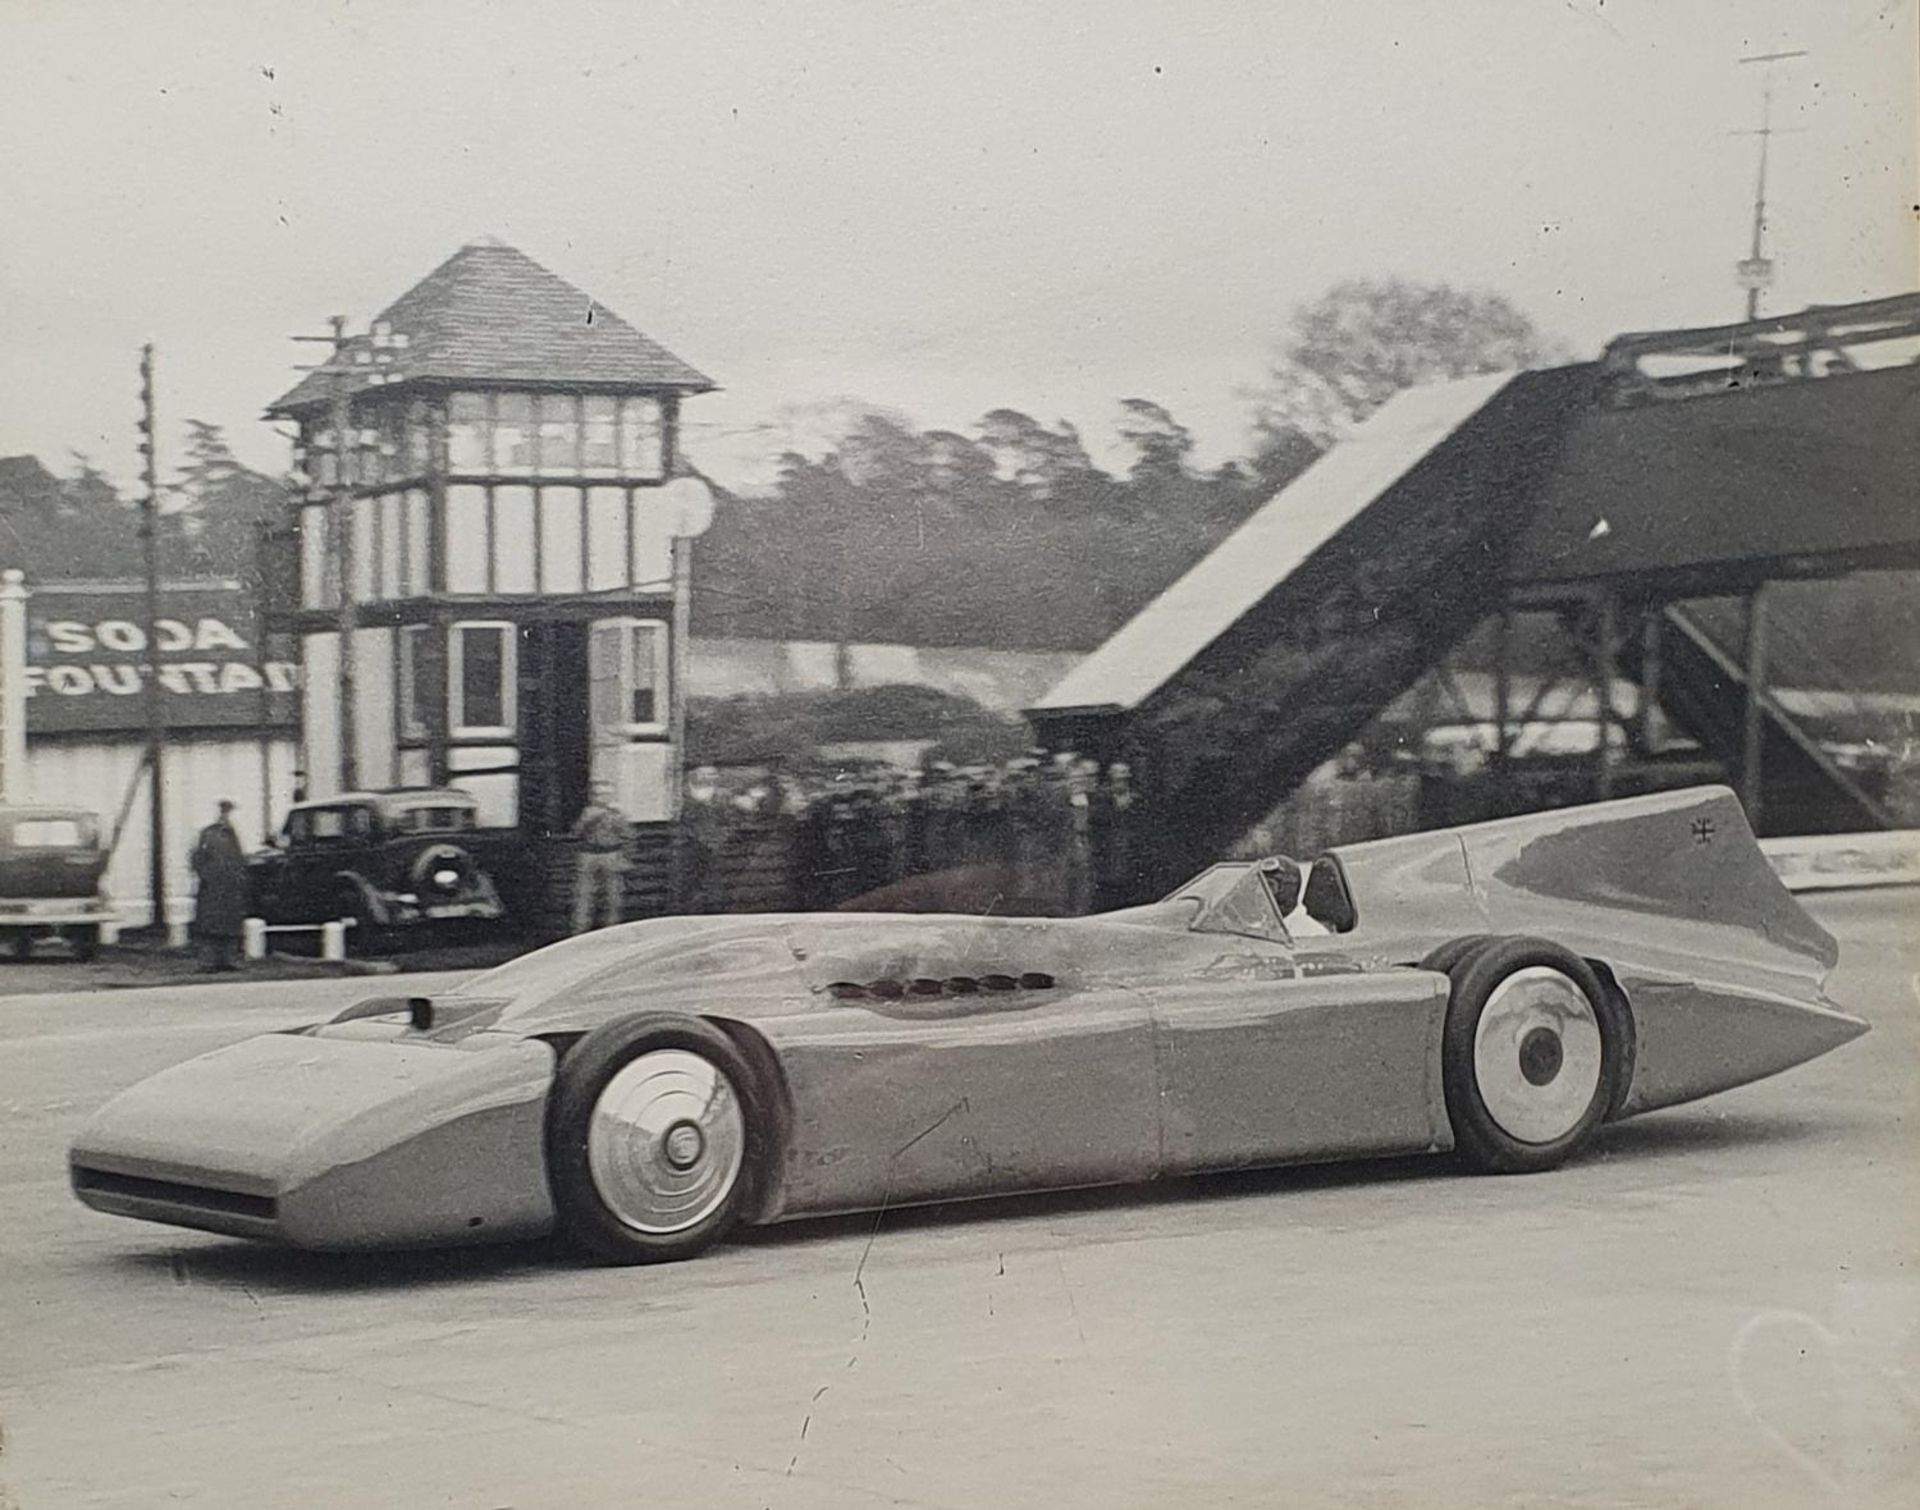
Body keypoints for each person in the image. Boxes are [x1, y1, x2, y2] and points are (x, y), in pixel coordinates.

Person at [189, 799, 250, 972]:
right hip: (213, 887)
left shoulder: (233, 835)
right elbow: (197, 858)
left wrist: (239, 878)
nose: (226, 816)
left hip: (230, 888)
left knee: (229, 925)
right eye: (224, 812)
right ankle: (208, 962)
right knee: (210, 926)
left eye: (228, 812)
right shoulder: (208, 834)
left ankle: (227, 960)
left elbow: (238, 859)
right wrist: (206, 875)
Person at [571, 781, 631, 934]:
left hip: (611, 854)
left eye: (606, 794)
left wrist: (626, 856)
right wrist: (588, 820)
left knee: (614, 896)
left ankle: (612, 930)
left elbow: (628, 835)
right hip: (589, 854)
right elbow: (576, 833)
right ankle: (580, 930)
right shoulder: (588, 813)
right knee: (584, 895)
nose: (601, 798)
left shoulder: (617, 813)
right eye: (598, 794)